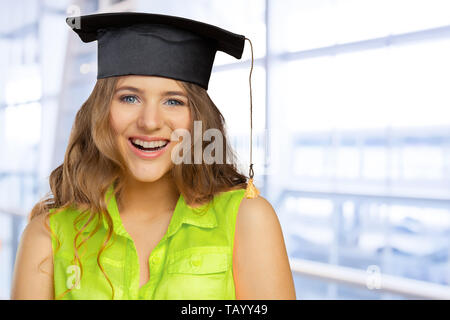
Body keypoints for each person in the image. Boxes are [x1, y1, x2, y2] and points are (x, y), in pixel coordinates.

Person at [10, 12, 296, 300]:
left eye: (173, 101)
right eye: (129, 98)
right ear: (101, 111)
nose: (149, 122)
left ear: (197, 117)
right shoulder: (47, 238)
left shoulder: (246, 219)